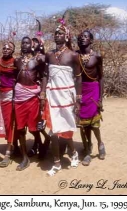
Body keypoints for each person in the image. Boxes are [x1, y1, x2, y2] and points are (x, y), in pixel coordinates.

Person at [41, 19, 82, 176]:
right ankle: (57, 162)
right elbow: (45, 75)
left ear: (66, 37)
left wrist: (78, 99)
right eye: (55, 33)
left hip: (67, 96)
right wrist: (43, 93)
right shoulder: (49, 55)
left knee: (66, 129)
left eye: (60, 33)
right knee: (54, 131)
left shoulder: (73, 55)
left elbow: (78, 78)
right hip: (53, 96)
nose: (57, 35)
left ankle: (73, 153)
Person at [13, 36, 46, 171]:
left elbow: (44, 76)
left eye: (27, 43)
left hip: (33, 96)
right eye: (23, 43)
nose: (24, 45)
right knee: (20, 128)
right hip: (19, 97)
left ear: (32, 45)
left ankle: (43, 143)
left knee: (33, 127)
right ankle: (25, 158)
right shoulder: (17, 61)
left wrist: (42, 93)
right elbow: (13, 78)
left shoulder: (38, 60)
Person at [77, 30, 105, 166]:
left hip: (93, 90)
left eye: (86, 37)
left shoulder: (97, 56)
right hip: (80, 91)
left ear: (91, 40)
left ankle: (100, 143)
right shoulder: (75, 56)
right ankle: (88, 150)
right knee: (83, 125)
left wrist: (101, 99)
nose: (83, 39)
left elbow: (101, 77)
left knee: (94, 124)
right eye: (81, 37)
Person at [0, 41, 19, 167]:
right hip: (0, 95)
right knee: (5, 122)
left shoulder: (15, 62)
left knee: (11, 122)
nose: (5, 50)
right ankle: (14, 145)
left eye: (8, 48)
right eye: (4, 48)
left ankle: (8, 152)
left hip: (12, 94)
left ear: (12, 50)